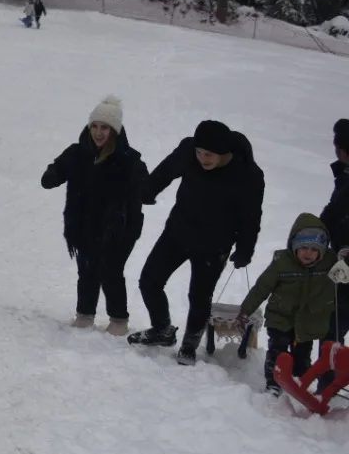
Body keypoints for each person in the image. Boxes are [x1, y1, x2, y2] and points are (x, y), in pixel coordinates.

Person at [130, 119, 265, 366]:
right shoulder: (187, 152)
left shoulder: (248, 174)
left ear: (225, 153)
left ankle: (189, 346)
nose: (203, 158)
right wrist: (147, 191)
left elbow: (251, 217)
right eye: (200, 152)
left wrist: (245, 249)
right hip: (178, 232)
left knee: (199, 296)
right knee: (150, 280)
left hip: (215, 245)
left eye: (209, 154)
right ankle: (162, 330)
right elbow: (165, 171)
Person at [40, 96, 147, 335]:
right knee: (87, 269)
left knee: (110, 271)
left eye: (105, 128)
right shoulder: (77, 153)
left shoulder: (129, 160)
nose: (99, 133)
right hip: (85, 224)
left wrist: (144, 192)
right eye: (95, 127)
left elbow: (144, 190)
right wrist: (53, 173)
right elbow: (55, 172)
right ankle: (84, 315)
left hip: (119, 228)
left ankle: (119, 320)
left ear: (115, 130)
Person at [238, 214, 338, 395]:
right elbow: (262, 287)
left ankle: (300, 382)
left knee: (301, 356)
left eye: (314, 249)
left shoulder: (330, 262)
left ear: (322, 250)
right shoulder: (282, 262)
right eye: (303, 247)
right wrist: (246, 310)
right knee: (278, 352)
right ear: (293, 245)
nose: (308, 253)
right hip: (280, 316)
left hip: (309, 320)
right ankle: (273, 384)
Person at [321, 119, 349, 342]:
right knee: (332, 326)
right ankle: (328, 373)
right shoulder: (344, 177)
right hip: (340, 262)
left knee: (334, 325)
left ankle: (329, 373)